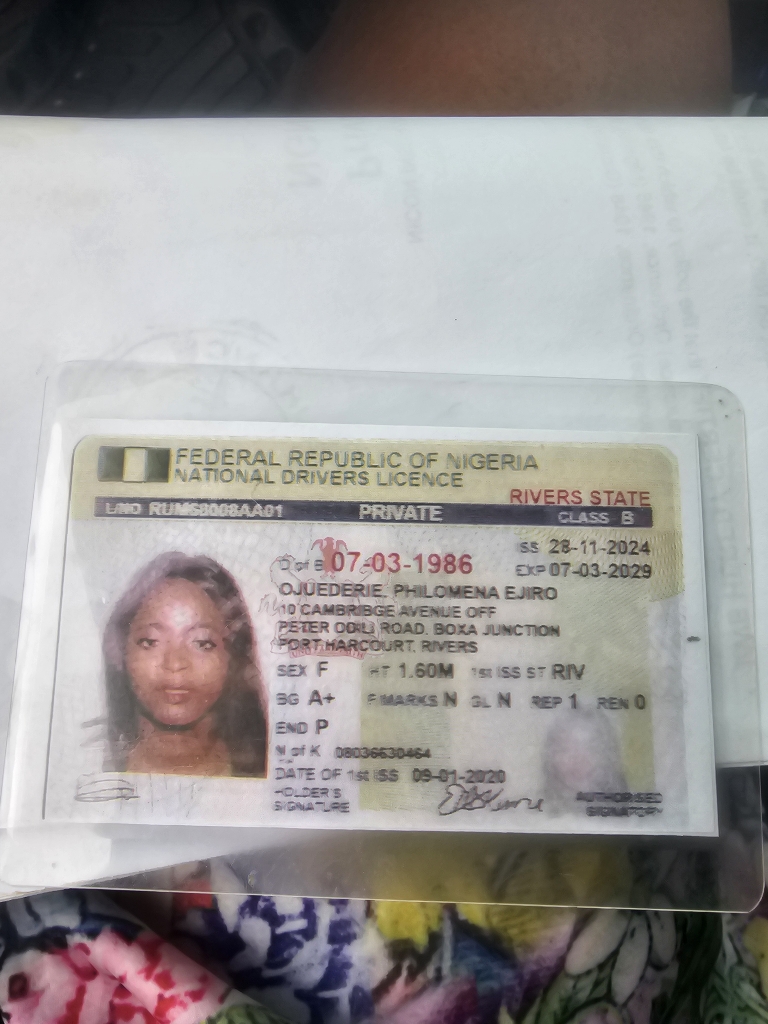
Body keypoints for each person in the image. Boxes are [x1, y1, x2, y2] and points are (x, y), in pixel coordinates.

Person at [101, 552, 267, 778]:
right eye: (150, 641)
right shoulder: (83, 762)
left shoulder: (268, 767)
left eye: (202, 643)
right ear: (121, 651)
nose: (175, 664)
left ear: (233, 656)